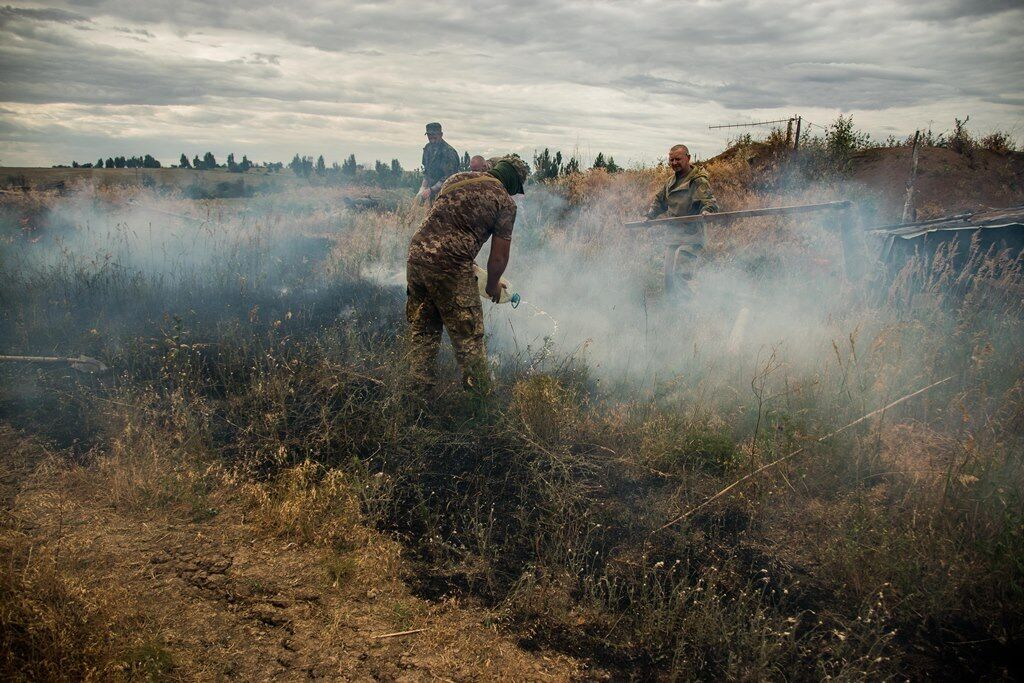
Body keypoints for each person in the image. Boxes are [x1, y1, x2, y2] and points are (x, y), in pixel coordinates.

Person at [406, 156, 530, 390]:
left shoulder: (456, 179)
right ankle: (479, 402)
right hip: (449, 267)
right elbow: (499, 257)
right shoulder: (504, 202)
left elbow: (445, 226)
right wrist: (492, 285)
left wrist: (469, 264)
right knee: (469, 337)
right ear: (513, 181)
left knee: (424, 330)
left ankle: (417, 396)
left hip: (417, 258)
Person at [646, 144, 719, 296]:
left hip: (691, 236)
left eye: (678, 159)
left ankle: (691, 309)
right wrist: (651, 215)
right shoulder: (671, 181)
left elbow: (709, 202)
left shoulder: (698, 180)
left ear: (688, 158)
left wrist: (706, 211)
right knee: (668, 277)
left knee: (681, 273)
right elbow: (660, 201)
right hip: (673, 236)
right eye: (671, 160)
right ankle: (675, 311)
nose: (674, 163)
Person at [417, 122, 461, 204]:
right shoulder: (427, 148)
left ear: (441, 134)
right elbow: (427, 171)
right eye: (429, 136)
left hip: (447, 194)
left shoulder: (448, 152)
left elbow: (450, 177)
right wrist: (422, 188)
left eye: (434, 136)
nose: (432, 139)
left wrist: (431, 190)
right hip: (433, 194)